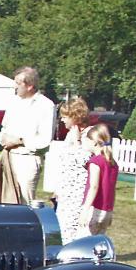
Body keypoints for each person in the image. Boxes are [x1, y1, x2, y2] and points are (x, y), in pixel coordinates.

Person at [0, 66, 55, 204]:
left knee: (23, 202)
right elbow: (4, 128)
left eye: (18, 83)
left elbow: (45, 140)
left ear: (30, 86)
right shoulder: (13, 102)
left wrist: (19, 141)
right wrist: (4, 139)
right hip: (8, 157)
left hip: (28, 160)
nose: (15, 87)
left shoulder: (45, 105)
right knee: (4, 202)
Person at [51, 98, 93, 244]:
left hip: (78, 191)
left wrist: (77, 142)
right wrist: (58, 188)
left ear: (75, 116)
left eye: (65, 116)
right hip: (66, 190)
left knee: (72, 229)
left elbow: (85, 160)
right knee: (62, 227)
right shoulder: (69, 134)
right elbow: (65, 163)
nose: (62, 120)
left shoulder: (88, 135)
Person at [80, 124, 119, 238]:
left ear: (94, 142)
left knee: (84, 243)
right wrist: (110, 210)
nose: (85, 142)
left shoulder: (95, 162)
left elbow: (94, 186)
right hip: (106, 211)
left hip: (94, 209)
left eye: (87, 139)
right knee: (97, 243)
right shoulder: (112, 163)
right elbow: (112, 189)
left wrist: (85, 210)